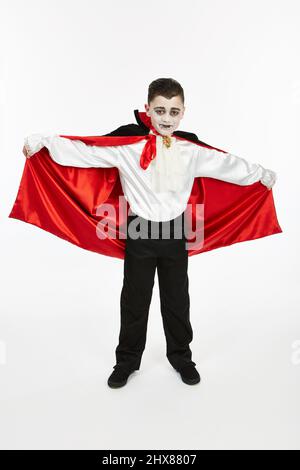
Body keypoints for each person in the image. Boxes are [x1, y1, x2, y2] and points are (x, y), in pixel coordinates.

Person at [21, 78, 279, 388]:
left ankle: (182, 357)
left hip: (176, 232)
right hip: (139, 231)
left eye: (173, 111)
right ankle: (127, 361)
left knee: (176, 300)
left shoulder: (191, 150)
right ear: (148, 110)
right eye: (160, 111)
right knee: (134, 299)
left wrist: (262, 174)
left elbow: (229, 165)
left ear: (183, 113)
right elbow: (83, 151)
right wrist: (42, 141)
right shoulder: (127, 147)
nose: (167, 118)